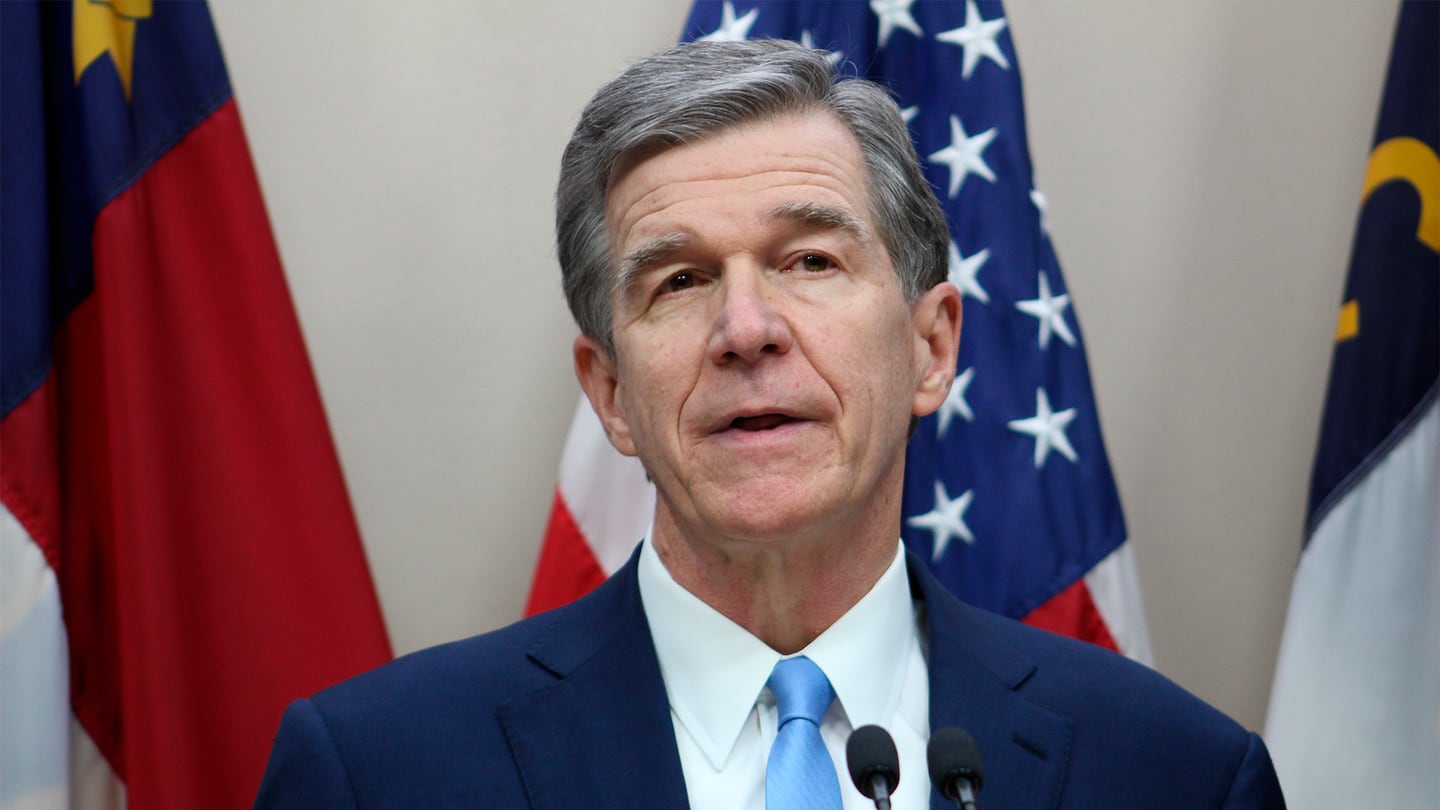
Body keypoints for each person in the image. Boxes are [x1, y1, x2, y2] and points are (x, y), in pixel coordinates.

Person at [255, 40, 1285, 809]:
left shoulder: (1174, 775)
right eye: (680, 279)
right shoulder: (378, 773)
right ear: (610, 392)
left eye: (809, 262)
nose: (746, 331)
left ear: (931, 348)